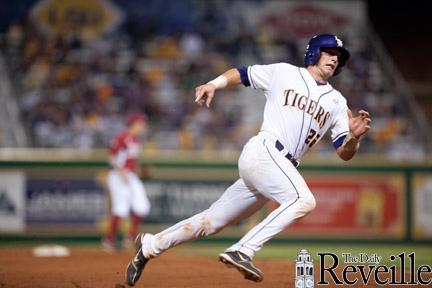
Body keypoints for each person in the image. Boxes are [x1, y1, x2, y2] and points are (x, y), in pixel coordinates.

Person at [124, 34, 371, 285]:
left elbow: (344, 152)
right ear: (314, 52)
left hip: (277, 167)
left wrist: (353, 136)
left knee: (211, 222)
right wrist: (214, 84)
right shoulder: (284, 72)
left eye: (338, 56)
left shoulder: (338, 102)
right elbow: (243, 73)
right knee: (303, 200)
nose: (334, 59)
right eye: (329, 52)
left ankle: (150, 245)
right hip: (265, 150)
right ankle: (243, 250)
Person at [102, 113, 151, 251]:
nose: (143, 126)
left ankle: (130, 238)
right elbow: (111, 156)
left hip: (130, 175)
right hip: (118, 175)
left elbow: (131, 160)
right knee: (121, 208)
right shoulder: (121, 137)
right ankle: (109, 241)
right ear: (134, 124)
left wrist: (139, 170)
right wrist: (121, 170)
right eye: (141, 123)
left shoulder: (135, 141)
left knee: (142, 206)